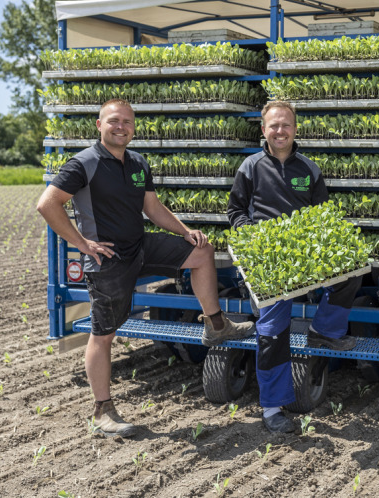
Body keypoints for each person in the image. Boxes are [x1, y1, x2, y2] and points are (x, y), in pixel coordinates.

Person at [37, 98, 255, 438]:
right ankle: (102, 410)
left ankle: (216, 325)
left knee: (201, 251)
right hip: (107, 259)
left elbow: (152, 208)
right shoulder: (84, 163)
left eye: (126, 121)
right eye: (113, 121)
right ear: (99, 125)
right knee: (103, 334)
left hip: (139, 246)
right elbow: (47, 203)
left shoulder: (137, 162)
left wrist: (185, 231)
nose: (120, 126)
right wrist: (81, 243)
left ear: (133, 127)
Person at [228, 100, 362, 433]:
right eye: (273, 125)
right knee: (272, 332)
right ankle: (272, 408)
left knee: (353, 272)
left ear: (295, 129)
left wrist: (325, 244)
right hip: (267, 255)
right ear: (263, 130)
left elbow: (322, 218)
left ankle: (323, 332)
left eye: (286, 125)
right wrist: (252, 234)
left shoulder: (309, 169)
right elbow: (235, 212)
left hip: (304, 251)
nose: (280, 131)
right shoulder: (250, 167)